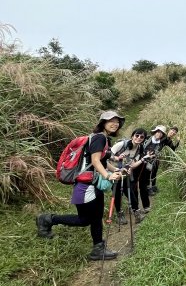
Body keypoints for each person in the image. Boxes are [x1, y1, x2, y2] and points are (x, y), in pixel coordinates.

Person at [36, 111, 125, 261]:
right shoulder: (99, 138)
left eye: (117, 121)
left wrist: (115, 170)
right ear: (103, 122)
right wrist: (109, 176)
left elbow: (102, 161)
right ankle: (48, 219)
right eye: (111, 120)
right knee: (85, 219)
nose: (115, 123)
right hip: (86, 186)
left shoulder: (102, 138)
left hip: (91, 184)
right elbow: (95, 161)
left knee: (95, 218)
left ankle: (98, 248)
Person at [109, 128, 151, 224]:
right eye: (137, 135)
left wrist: (143, 159)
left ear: (144, 139)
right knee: (117, 193)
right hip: (113, 171)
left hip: (125, 173)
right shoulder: (121, 145)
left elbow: (132, 164)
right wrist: (117, 158)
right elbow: (107, 156)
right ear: (132, 136)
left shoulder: (140, 149)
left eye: (142, 137)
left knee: (130, 192)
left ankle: (137, 213)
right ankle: (120, 215)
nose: (139, 138)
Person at [145, 125, 180, 196]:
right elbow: (154, 141)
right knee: (148, 172)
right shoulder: (163, 136)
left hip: (156, 158)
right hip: (149, 156)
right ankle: (147, 188)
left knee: (154, 172)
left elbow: (173, 148)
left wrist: (178, 142)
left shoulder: (168, 140)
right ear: (169, 130)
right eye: (172, 130)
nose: (173, 132)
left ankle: (153, 186)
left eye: (175, 132)